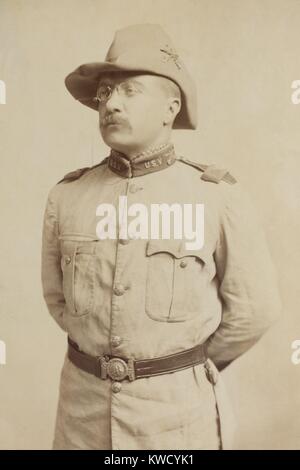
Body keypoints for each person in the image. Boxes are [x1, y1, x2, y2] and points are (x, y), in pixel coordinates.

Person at [41, 24, 281, 450]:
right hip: (81, 418)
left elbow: (255, 310)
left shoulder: (216, 197)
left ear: (171, 108)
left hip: (176, 422)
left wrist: (183, 368)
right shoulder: (68, 196)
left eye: (130, 91)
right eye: (104, 93)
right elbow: (59, 302)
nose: (111, 103)